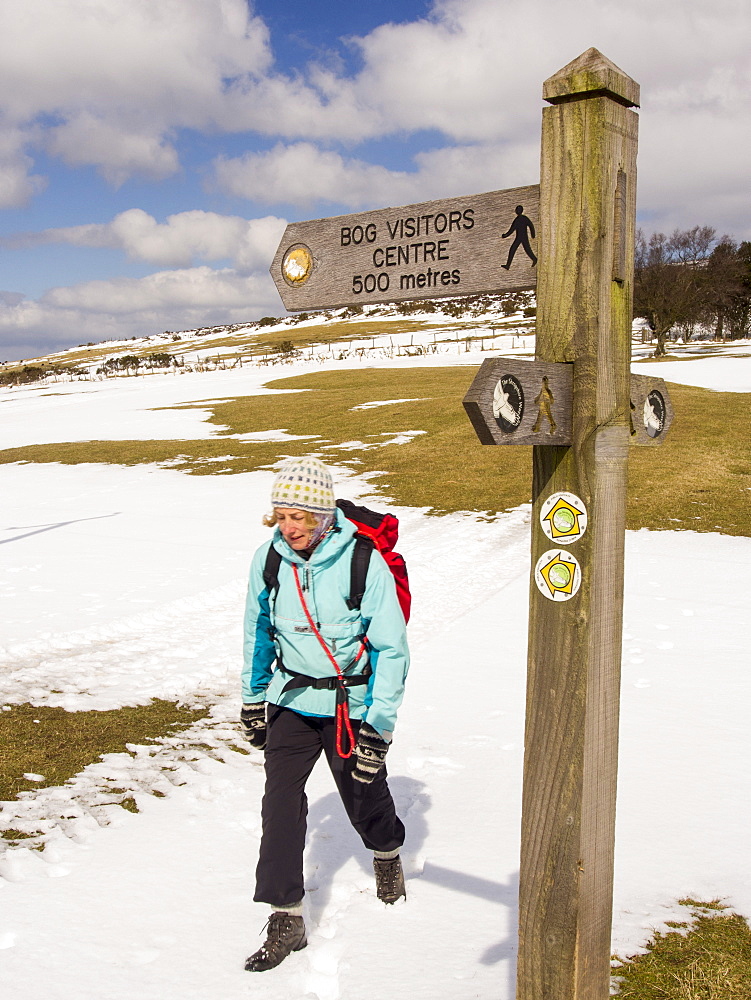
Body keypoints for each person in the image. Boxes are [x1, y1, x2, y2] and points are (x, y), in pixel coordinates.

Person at [240, 457, 410, 972]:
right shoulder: (269, 559)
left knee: (361, 792)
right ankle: (285, 914)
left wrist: (377, 728)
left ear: (323, 514)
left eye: (300, 517)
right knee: (279, 803)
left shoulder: (361, 560)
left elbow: (392, 648)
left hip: (348, 703)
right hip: (290, 700)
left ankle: (385, 852)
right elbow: (258, 630)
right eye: (282, 515)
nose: (290, 527)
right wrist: (252, 698)